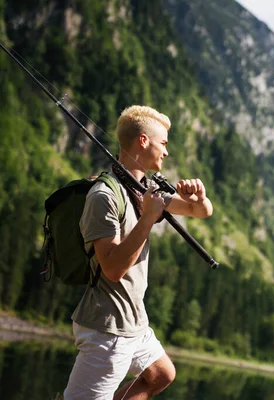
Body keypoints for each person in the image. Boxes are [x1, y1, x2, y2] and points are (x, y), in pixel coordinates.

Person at [63, 105, 213, 400]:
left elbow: (200, 212)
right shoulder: (104, 196)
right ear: (143, 141)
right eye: (164, 143)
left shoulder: (145, 189)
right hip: (108, 329)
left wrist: (200, 197)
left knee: (161, 375)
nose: (167, 152)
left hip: (134, 322)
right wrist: (147, 219)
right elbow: (113, 269)